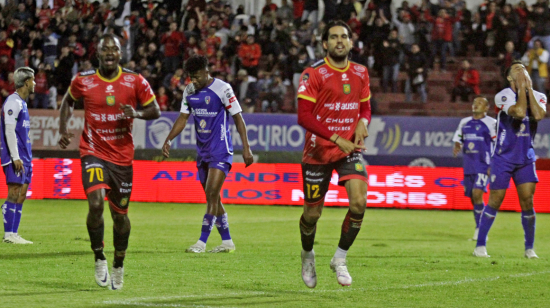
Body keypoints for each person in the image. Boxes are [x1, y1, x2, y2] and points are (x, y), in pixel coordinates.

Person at [57, 34, 161, 290]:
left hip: (122, 159)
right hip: (92, 151)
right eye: (105, 50)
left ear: (120, 53)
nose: (110, 53)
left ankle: (118, 263)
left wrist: (135, 113)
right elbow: (67, 101)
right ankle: (99, 256)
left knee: (120, 215)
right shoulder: (84, 80)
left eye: (114, 49)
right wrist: (63, 128)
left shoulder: (134, 80)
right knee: (95, 205)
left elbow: (155, 110)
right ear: (98, 53)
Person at [296, 20, 371, 288]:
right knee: (312, 215)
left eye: (345, 37)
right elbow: (303, 116)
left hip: (349, 150)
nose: (340, 41)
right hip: (318, 152)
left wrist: (363, 123)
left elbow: (365, 108)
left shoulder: (361, 72)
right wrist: (337, 138)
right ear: (325, 44)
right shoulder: (313, 73)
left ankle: (340, 258)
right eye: (334, 37)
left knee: (359, 202)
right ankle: (307, 254)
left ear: (351, 42)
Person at [162, 55, 254, 254]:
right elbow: (182, 118)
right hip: (202, 152)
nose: (193, 81)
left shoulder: (223, 89)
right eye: (190, 77)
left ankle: (201, 243)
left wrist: (246, 148)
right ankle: (227, 241)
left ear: (206, 71)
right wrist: (169, 139)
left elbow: (238, 118)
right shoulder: (189, 90)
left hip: (221, 150)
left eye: (196, 77)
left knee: (211, 194)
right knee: (214, 197)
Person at [474, 60, 547, 259]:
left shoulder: (539, 96)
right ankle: (480, 245)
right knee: (495, 200)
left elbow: (539, 115)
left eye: (524, 68)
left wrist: (528, 89)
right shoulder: (503, 95)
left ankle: (529, 248)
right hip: (503, 159)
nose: (522, 70)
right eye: (517, 69)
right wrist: (522, 88)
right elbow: (520, 112)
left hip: (525, 158)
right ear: (509, 77)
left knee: (527, 201)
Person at [452, 96, 496, 241]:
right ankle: (479, 225)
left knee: (478, 194)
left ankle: (480, 230)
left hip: (484, 165)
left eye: (480, 103)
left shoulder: (492, 123)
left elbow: (497, 144)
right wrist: (457, 144)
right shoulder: (464, 122)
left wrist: (493, 164)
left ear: (486, 108)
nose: (476, 105)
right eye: (474, 102)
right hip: (469, 165)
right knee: (473, 197)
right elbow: (458, 137)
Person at [1, 67, 35, 244]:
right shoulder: (12, 102)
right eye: (33, 80)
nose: (35, 83)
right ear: (27, 82)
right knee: (14, 192)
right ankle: (8, 235)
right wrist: (15, 156)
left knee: (21, 194)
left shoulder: (23, 103)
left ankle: (14, 233)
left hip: (25, 156)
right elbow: (9, 130)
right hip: (16, 156)